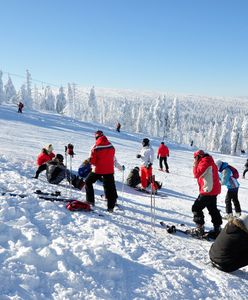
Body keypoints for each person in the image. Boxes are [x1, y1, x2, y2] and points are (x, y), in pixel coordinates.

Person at [191, 150, 222, 238]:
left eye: (195, 158)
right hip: (213, 190)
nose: (194, 159)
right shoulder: (210, 161)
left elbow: (196, 174)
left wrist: (195, 164)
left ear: (198, 156)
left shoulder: (204, 162)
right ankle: (217, 228)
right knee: (213, 209)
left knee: (196, 207)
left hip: (208, 190)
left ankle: (199, 228)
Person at [85, 130, 118, 212]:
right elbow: (112, 157)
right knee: (110, 187)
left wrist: (89, 160)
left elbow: (93, 161)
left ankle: (90, 201)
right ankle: (111, 207)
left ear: (96, 137)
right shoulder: (111, 145)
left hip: (98, 169)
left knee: (88, 182)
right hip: (109, 170)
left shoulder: (95, 147)